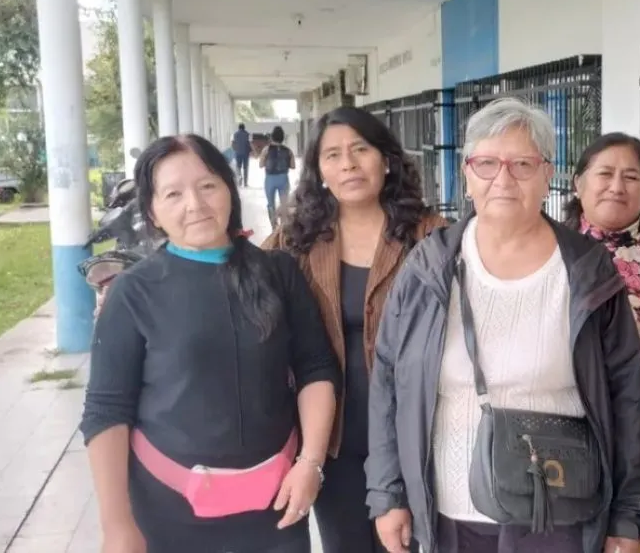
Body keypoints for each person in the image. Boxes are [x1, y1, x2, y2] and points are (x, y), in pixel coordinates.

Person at [366, 97, 640, 553]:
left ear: (547, 175)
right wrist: (387, 493)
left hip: (556, 508)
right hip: (451, 510)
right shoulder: (429, 266)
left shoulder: (586, 270)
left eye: (522, 164)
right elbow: (388, 381)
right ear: (467, 175)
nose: (503, 180)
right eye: (486, 163)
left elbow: (627, 395)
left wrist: (627, 512)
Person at [79, 134, 341, 553]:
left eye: (207, 186)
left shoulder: (278, 272)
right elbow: (106, 410)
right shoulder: (134, 291)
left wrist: (311, 463)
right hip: (168, 515)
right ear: (153, 211)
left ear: (228, 190)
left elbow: (316, 368)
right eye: (173, 194)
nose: (195, 204)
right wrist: (117, 525)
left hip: (275, 509)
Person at [261, 106, 447, 553]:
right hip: (333, 439)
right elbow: (245, 290)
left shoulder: (431, 237)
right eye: (332, 155)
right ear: (320, 170)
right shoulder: (296, 240)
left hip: (414, 434)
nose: (348, 164)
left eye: (360, 149)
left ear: (386, 159)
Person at [564, 132, 640, 346]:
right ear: (578, 184)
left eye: (631, 177)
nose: (617, 188)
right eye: (605, 174)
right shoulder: (548, 247)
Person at [261, 125, 297, 228]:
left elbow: (261, 164)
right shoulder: (288, 151)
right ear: (282, 137)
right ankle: (283, 227)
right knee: (284, 203)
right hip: (283, 179)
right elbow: (293, 166)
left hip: (270, 179)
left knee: (270, 204)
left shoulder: (266, 150)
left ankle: (274, 227)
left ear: (272, 137)